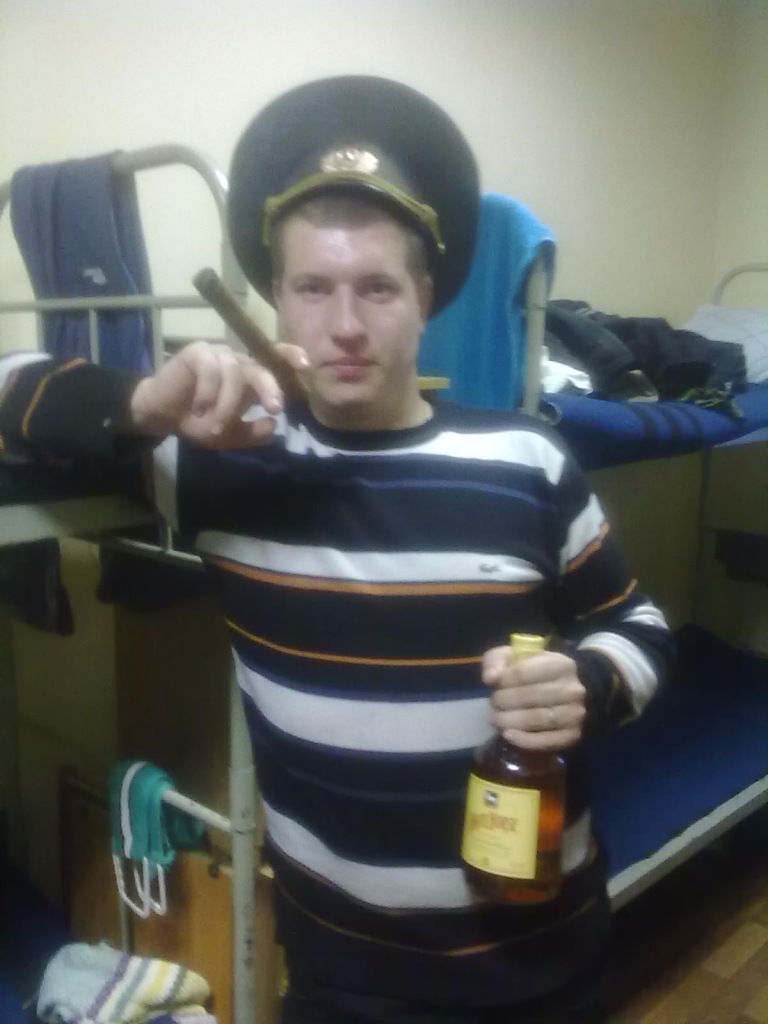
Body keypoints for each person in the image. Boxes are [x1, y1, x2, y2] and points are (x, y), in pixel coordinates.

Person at [0, 76, 673, 1023]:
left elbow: (638, 624)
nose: (346, 325)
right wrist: (141, 402)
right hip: (337, 985)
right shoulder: (217, 465)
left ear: (424, 298)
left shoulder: (526, 460)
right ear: (277, 298)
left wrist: (591, 682)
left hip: (541, 970)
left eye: (377, 288)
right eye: (313, 288)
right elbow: (11, 386)